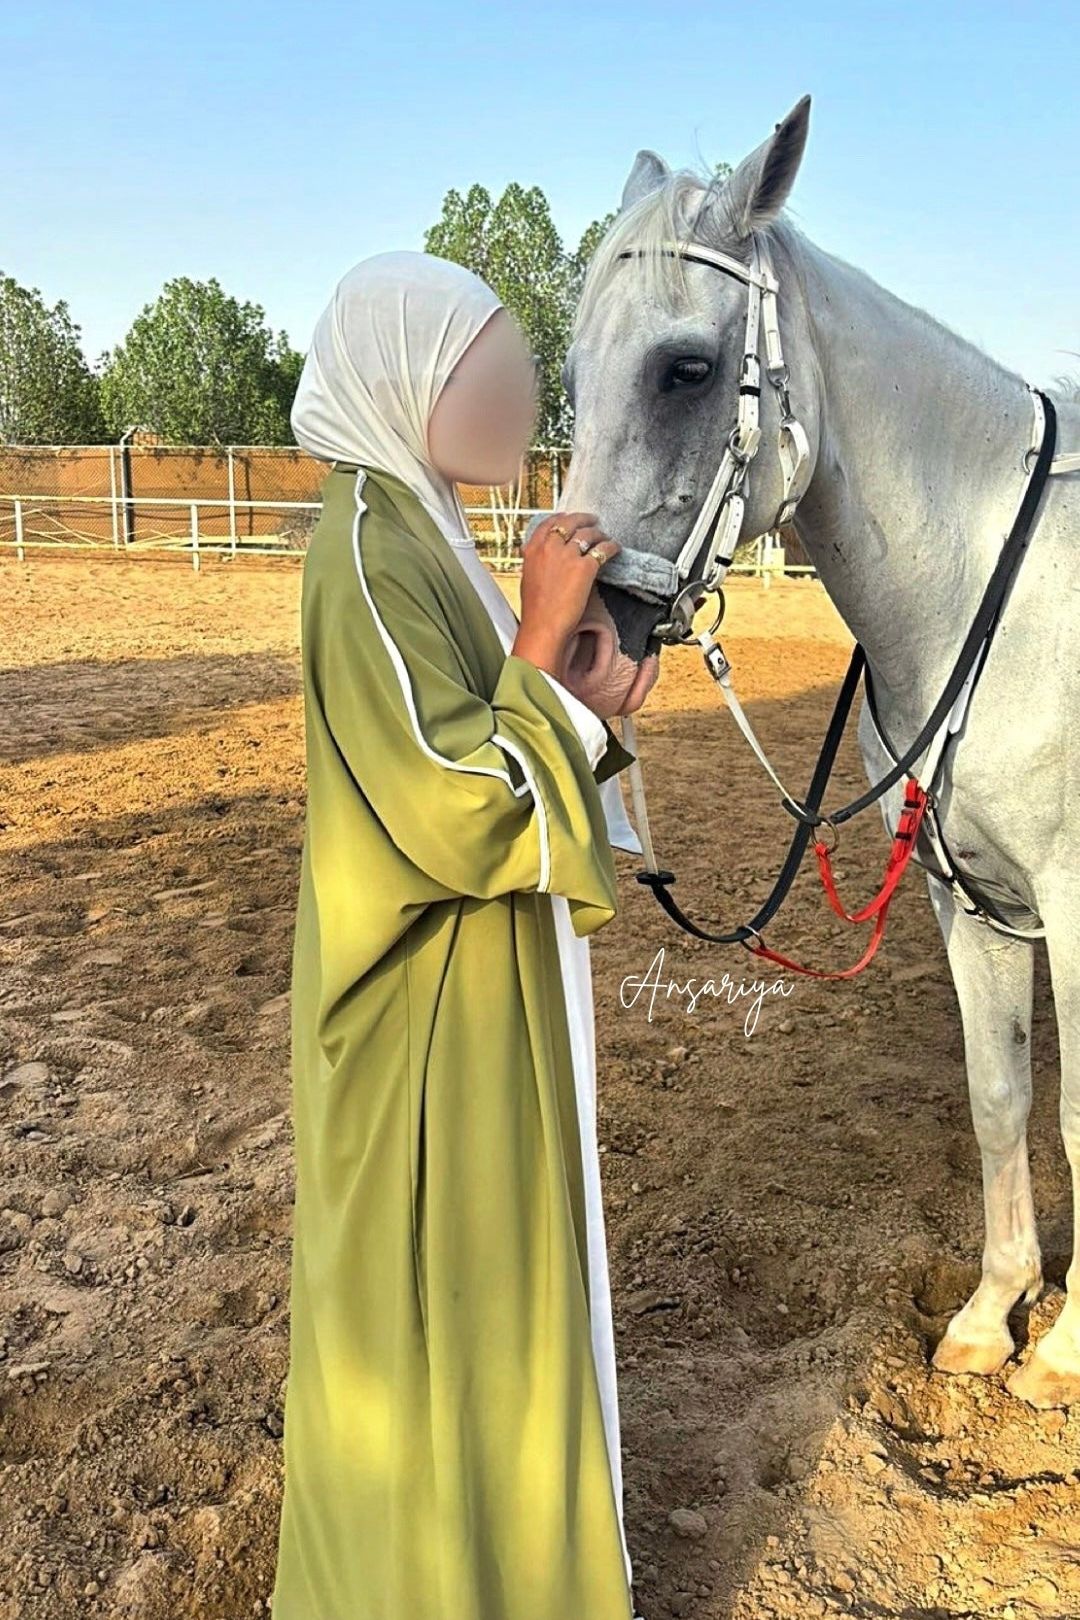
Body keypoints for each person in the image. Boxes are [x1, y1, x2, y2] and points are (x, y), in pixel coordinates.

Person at [271, 248, 648, 1620]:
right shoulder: (369, 546)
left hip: (478, 994)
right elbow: (447, 803)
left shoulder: (419, 527)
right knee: (435, 1300)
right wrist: (545, 636)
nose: (514, 403)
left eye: (519, 380)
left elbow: (501, 732)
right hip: (425, 1015)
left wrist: (592, 700)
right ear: (406, 380)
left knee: (484, 1298)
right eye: (486, 378)